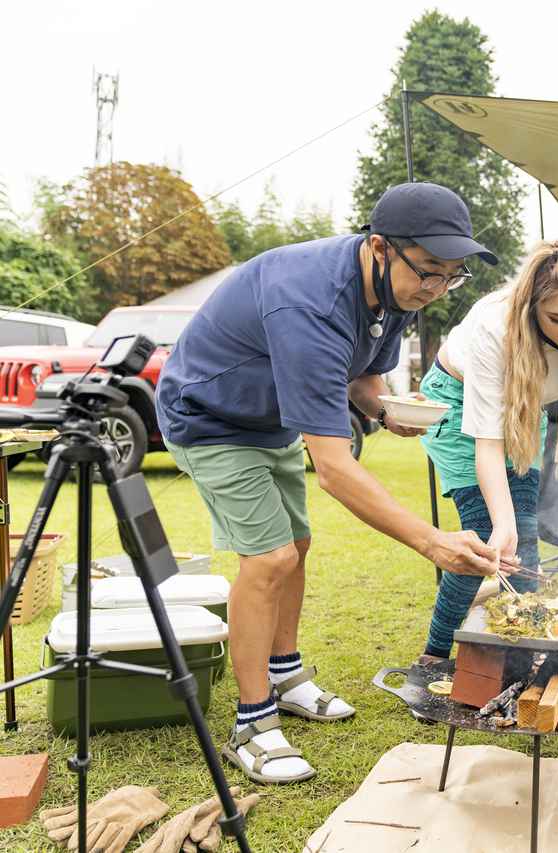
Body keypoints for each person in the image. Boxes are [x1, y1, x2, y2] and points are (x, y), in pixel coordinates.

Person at [157, 182, 502, 784]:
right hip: (209, 416)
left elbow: (362, 378)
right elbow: (337, 471)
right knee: (268, 559)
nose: (436, 289)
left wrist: (385, 409)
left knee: (299, 547)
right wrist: (433, 543)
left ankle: (284, 673)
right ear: (379, 248)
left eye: (453, 276)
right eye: (428, 272)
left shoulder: (395, 293)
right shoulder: (310, 302)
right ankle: (253, 721)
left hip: (268, 419)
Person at [416, 240, 558, 662]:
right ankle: (435, 657)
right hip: (455, 402)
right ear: (532, 307)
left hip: (527, 411)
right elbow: (487, 445)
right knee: (485, 536)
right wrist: (502, 526)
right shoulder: (496, 330)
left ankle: (524, 653)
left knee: (521, 536)